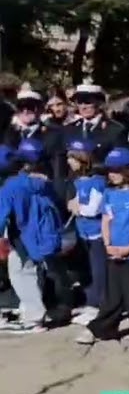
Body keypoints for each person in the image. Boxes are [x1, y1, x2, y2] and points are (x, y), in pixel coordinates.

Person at [77, 148, 129, 345]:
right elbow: (106, 220)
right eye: (110, 170)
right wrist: (108, 244)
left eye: (117, 170)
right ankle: (100, 327)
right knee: (112, 295)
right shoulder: (109, 194)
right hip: (116, 251)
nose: (112, 174)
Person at [0, 138, 73, 331]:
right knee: (39, 273)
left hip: (22, 238)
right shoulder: (44, 184)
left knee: (20, 273)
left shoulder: (11, 186)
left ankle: (34, 319)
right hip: (44, 236)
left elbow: (2, 214)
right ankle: (42, 310)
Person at [66, 138, 108, 325]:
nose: (69, 161)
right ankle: (92, 302)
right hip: (84, 233)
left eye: (72, 158)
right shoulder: (78, 181)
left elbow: (93, 209)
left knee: (100, 270)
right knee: (90, 269)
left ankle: (101, 305)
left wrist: (78, 207)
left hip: (97, 232)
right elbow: (73, 201)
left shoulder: (97, 182)